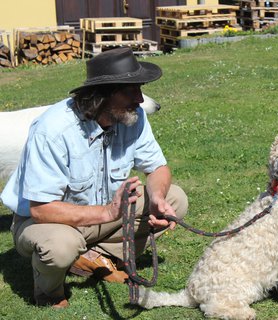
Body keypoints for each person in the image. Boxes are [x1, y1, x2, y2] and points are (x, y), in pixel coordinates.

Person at [0, 48, 188, 308]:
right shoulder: (52, 130)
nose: (140, 98)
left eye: (139, 88)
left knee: (175, 199)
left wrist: (156, 197)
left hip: (104, 212)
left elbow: (157, 167)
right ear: (102, 96)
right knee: (60, 246)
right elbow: (41, 209)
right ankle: (49, 294)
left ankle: (96, 257)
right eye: (130, 91)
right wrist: (107, 213)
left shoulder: (134, 116)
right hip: (48, 222)